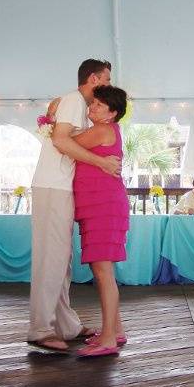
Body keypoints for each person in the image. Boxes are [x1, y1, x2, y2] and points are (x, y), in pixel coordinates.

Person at [28, 59, 121, 352]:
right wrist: (102, 162)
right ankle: (41, 328)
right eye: (106, 79)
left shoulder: (78, 107)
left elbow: (66, 137)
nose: (108, 86)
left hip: (62, 187)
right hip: (53, 186)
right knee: (51, 257)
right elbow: (61, 141)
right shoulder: (72, 101)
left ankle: (66, 324)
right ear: (94, 79)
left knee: (61, 259)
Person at [72, 85, 129, 357]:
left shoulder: (101, 130)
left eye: (98, 105)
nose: (91, 108)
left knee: (103, 273)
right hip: (103, 205)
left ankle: (108, 338)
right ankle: (115, 330)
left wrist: (52, 123)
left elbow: (64, 143)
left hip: (103, 207)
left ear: (112, 113)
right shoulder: (106, 129)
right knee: (104, 272)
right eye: (92, 103)